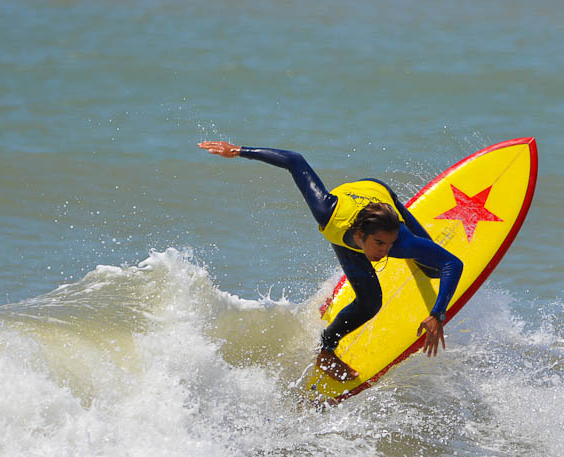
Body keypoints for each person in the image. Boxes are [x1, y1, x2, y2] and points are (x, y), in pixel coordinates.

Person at [198, 140, 463, 382]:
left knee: (431, 269)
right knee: (370, 303)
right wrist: (240, 151)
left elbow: (453, 264)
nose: (386, 251)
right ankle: (326, 351)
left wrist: (437, 313)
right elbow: (295, 160)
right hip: (346, 218)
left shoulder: (400, 243)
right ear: (360, 235)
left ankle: (415, 249)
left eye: (390, 244)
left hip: (378, 192)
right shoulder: (327, 211)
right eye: (380, 244)